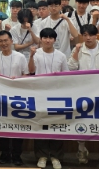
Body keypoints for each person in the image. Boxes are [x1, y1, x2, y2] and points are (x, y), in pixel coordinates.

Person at [68, 24, 99, 164]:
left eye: (90, 35)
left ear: (96, 36)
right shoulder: (77, 49)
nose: (88, 38)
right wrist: (76, 52)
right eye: (85, 35)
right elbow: (71, 68)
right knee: (82, 121)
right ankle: (81, 149)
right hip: (83, 92)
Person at [29, 28, 68, 169]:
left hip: (57, 95)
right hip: (39, 94)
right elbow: (31, 71)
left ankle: (56, 157)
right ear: (41, 39)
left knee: (56, 125)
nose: (47, 40)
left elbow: (66, 76)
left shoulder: (61, 56)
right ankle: (42, 156)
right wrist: (31, 56)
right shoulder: (36, 53)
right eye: (45, 37)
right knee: (41, 124)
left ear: (54, 40)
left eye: (51, 38)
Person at [0, 31, 28, 165]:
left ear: (11, 41)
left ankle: (17, 155)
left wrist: (17, 80)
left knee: (18, 126)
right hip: (1, 97)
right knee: (2, 126)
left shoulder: (20, 57)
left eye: (6, 40)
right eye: (0, 41)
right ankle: (5, 153)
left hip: (18, 97)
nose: (4, 43)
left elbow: (26, 75)